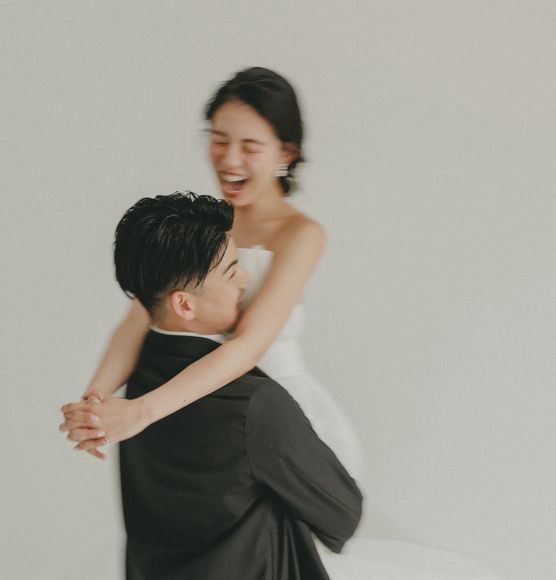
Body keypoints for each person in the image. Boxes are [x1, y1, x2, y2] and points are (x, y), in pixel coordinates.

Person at [60, 68, 502, 580]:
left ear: (285, 153)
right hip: (206, 412)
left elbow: (247, 347)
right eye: (219, 139)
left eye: (250, 146)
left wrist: (141, 411)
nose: (229, 159)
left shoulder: (299, 233)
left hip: (278, 416)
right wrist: (95, 403)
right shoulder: (197, 229)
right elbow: (139, 315)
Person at [109, 191, 363, 579]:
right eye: (231, 271)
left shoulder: (136, 383)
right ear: (185, 305)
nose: (245, 278)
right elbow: (343, 513)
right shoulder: (256, 403)